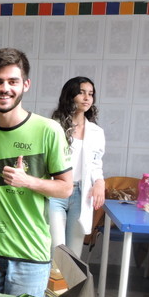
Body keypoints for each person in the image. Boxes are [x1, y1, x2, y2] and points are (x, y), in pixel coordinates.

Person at [0, 48, 73, 297]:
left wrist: (28, 181)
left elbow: (65, 188)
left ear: (25, 85)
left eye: (13, 81)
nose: (4, 88)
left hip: (29, 255)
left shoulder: (48, 130)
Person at [48, 77, 106, 257]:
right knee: (56, 250)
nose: (87, 98)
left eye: (90, 94)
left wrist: (99, 182)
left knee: (73, 253)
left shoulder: (96, 132)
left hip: (82, 193)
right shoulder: (53, 127)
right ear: (70, 95)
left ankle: (70, 278)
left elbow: (96, 163)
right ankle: (53, 277)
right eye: (81, 93)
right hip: (56, 192)